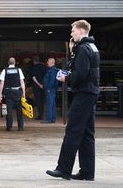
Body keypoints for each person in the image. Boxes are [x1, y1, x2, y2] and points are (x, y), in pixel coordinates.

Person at [46, 20, 100, 181]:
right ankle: (87, 172)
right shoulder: (92, 47)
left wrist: (66, 77)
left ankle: (63, 169)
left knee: (73, 131)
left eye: (73, 31)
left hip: (84, 93)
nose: (71, 34)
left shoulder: (83, 48)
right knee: (86, 133)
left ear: (82, 31)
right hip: (91, 93)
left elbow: (80, 75)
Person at [0, 57, 26, 131]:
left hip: (8, 92)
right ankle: (20, 127)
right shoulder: (18, 70)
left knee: (9, 109)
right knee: (19, 109)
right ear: (15, 62)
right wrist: (24, 92)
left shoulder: (5, 71)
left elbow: (1, 83)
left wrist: (0, 93)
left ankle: (9, 126)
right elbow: (22, 82)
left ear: (8, 63)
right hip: (17, 92)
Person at [29, 56, 47, 120]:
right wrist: (42, 84)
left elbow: (33, 78)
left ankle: (40, 115)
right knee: (42, 100)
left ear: (34, 61)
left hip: (36, 86)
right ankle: (42, 114)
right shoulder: (44, 67)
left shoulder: (33, 68)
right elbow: (46, 76)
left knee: (38, 100)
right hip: (43, 85)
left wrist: (39, 84)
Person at [43, 58, 59, 123]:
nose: (47, 63)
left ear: (52, 62)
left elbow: (52, 81)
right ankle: (52, 118)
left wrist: (48, 88)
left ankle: (49, 119)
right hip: (51, 89)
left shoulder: (52, 70)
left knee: (49, 104)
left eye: (48, 61)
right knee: (52, 104)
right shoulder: (53, 70)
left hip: (50, 89)